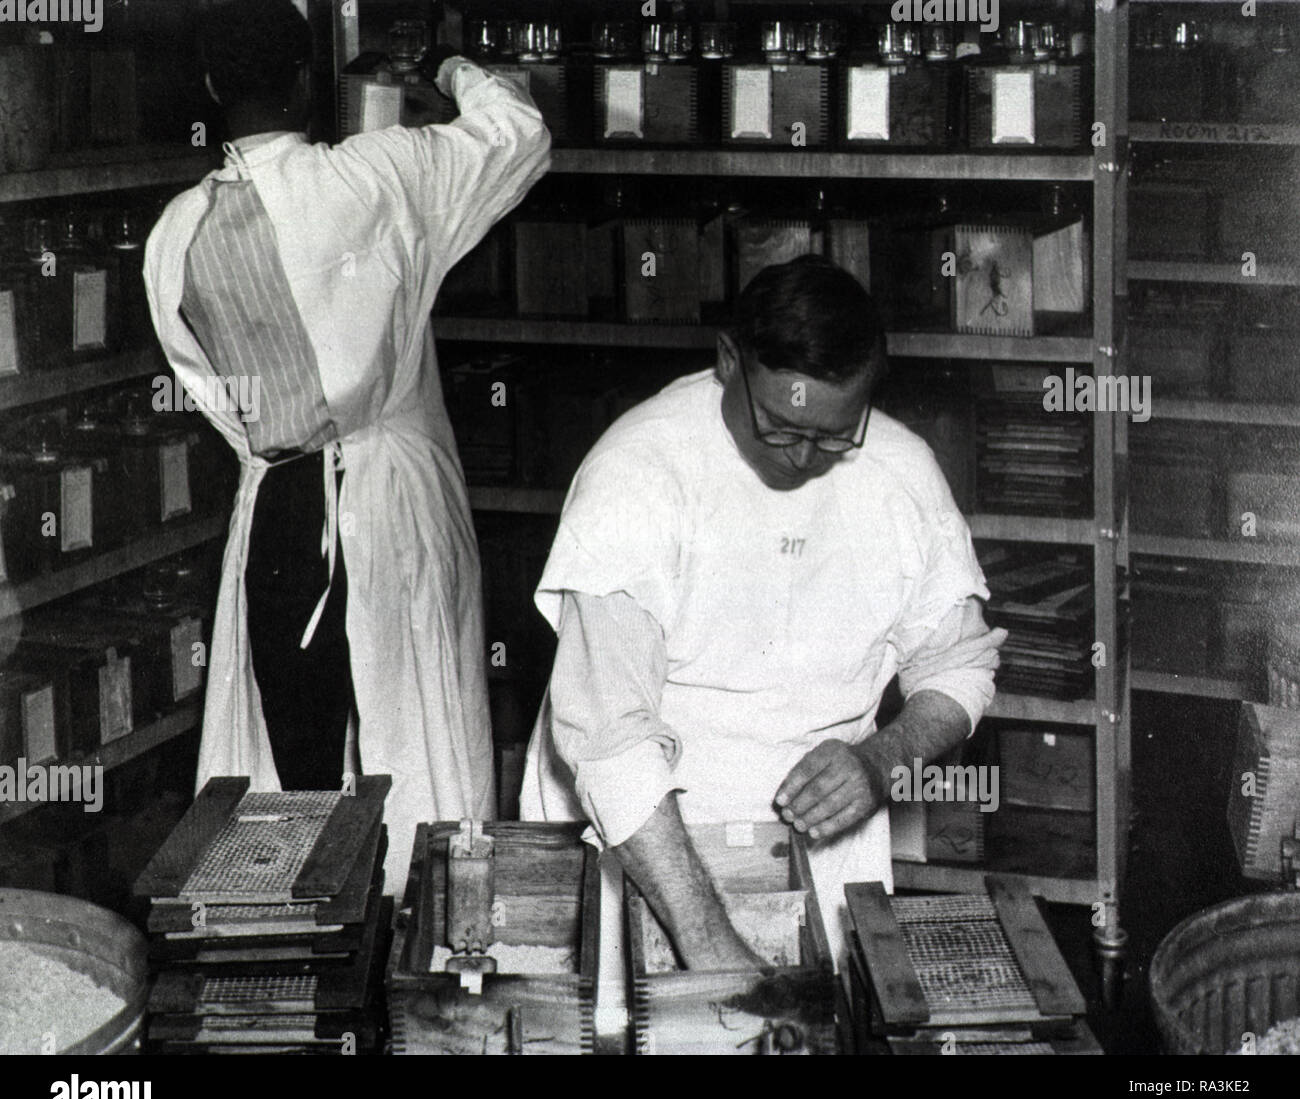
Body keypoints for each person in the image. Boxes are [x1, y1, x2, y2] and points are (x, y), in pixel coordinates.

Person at [144, 0, 551, 890]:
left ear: (211, 86)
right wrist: (446, 66)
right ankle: (426, 933)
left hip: (276, 511)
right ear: (307, 80)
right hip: (392, 494)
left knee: (293, 751)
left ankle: (308, 945)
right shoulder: (383, 174)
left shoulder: (175, 233)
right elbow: (518, 132)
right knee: (414, 725)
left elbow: (205, 387)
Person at [521, 255, 1005, 978]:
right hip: (636, 834)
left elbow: (960, 665)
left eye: (836, 434)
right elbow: (611, 741)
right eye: (781, 426)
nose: (806, 457)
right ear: (728, 361)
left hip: (821, 845)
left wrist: (880, 762)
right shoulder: (638, 475)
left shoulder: (902, 472)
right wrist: (713, 948)